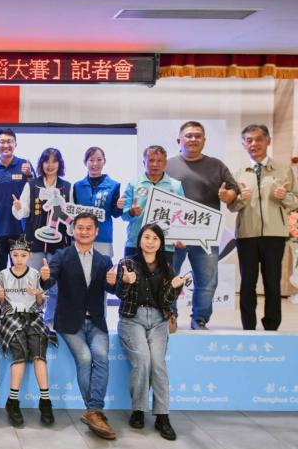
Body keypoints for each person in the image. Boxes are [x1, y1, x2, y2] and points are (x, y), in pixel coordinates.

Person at [41, 212, 117, 440]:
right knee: (84, 357)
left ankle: (94, 411)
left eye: (88, 228)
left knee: (101, 357)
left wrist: (114, 283)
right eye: (80, 227)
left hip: (96, 320)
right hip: (69, 322)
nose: (84, 232)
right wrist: (44, 277)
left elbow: (112, 289)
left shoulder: (104, 260)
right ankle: (95, 411)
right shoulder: (61, 255)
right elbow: (49, 281)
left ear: (96, 231)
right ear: (73, 230)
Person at [116, 223, 188, 441]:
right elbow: (120, 294)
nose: (150, 242)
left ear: (160, 243)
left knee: (158, 364)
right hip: (132, 319)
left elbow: (165, 301)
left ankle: (162, 416)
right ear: (139, 240)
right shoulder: (127, 263)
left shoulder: (167, 266)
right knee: (143, 360)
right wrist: (126, 282)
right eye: (146, 237)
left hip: (158, 320)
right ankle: (138, 410)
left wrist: (174, 287)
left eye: (155, 238)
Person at [166, 121, 239, 330]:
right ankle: (169, 317)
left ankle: (199, 319)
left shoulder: (217, 165)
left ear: (204, 140)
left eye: (198, 136)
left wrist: (227, 195)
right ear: (179, 140)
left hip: (206, 235)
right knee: (168, 278)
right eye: (188, 135)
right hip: (174, 236)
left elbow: (233, 190)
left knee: (207, 281)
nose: (193, 139)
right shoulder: (167, 165)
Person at [228, 124, 298, 331]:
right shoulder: (238, 173)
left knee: (272, 282)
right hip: (246, 235)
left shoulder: (283, 170)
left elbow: (295, 200)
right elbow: (232, 206)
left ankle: (271, 327)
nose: (254, 144)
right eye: (248, 140)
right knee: (247, 283)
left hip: (274, 235)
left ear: (268, 141)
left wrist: (283, 196)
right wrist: (240, 198)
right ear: (243, 144)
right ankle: (248, 327)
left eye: (258, 139)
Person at [0, 237, 54, 427]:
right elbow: (1, 305)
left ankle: (45, 401)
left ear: (28, 256)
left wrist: (37, 295)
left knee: (39, 354)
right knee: (19, 354)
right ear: (10, 255)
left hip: (33, 315)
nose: (19, 259)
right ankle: (13, 401)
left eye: (23, 255)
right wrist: (1, 298)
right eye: (15, 255)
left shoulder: (35, 274)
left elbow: (40, 304)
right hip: (11, 317)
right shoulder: (3, 274)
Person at [12, 147, 71, 329]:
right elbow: (23, 212)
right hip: (35, 243)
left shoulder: (67, 186)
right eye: (46, 161)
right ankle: (31, 320)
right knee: (31, 283)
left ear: (59, 164)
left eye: (54, 161)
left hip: (58, 244)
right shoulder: (32, 184)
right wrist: (18, 207)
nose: (50, 165)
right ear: (41, 163)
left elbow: (71, 213)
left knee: (55, 287)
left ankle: (50, 322)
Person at [0, 128, 35, 272]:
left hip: (20, 229)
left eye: (9, 141)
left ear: (15, 144)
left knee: (19, 271)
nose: (6, 145)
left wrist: (29, 175)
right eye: (2, 142)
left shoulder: (25, 165)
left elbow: (35, 192)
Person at [121, 145, 185, 257]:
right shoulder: (133, 184)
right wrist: (131, 212)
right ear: (144, 163)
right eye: (151, 160)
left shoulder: (175, 186)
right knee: (130, 270)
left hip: (165, 245)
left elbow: (182, 215)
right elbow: (124, 216)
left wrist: (179, 237)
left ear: (165, 163)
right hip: (136, 243)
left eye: (159, 161)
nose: (155, 164)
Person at [72, 146, 123, 257]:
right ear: (85, 162)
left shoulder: (113, 185)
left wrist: (120, 207)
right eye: (91, 160)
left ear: (104, 161)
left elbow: (115, 214)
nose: (95, 164)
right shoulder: (77, 186)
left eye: (99, 160)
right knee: (78, 267)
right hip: (80, 236)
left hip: (103, 237)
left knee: (103, 267)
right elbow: (72, 213)